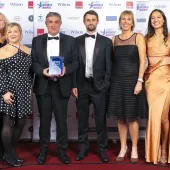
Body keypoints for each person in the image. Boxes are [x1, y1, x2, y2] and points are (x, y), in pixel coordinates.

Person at [31, 12, 78, 164]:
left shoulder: (70, 41)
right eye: (50, 22)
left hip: (62, 86)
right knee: (44, 122)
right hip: (43, 86)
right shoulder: (36, 40)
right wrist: (41, 71)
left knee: (61, 121)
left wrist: (66, 69)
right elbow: (33, 63)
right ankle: (43, 152)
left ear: (60, 23)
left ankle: (62, 151)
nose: (53, 24)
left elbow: (76, 63)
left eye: (56, 22)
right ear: (45, 23)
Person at [107, 10, 148, 163]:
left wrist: (139, 80)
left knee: (131, 117)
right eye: (123, 19)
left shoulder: (138, 37)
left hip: (133, 81)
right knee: (120, 117)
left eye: (128, 19)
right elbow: (111, 62)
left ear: (132, 22)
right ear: (120, 21)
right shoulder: (114, 39)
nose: (125, 21)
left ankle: (135, 148)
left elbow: (143, 61)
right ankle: (123, 147)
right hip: (117, 81)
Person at [72, 10, 112, 163]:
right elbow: (75, 66)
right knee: (82, 120)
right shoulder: (77, 41)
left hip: (99, 86)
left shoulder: (106, 42)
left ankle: (102, 150)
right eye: (88, 20)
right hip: (81, 86)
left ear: (97, 21)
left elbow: (109, 67)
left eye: (93, 20)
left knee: (100, 121)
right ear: (84, 22)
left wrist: (105, 85)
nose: (90, 22)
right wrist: (74, 85)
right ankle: (83, 149)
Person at [0, 22, 32, 167]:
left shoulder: (27, 49)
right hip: (8, 90)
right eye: (9, 32)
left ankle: (12, 151)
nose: (12, 34)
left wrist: (30, 87)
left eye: (15, 31)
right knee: (8, 123)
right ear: (6, 34)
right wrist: (4, 92)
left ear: (20, 33)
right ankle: (7, 154)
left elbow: (29, 72)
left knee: (21, 121)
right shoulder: (2, 50)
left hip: (24, 90)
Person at [145, 9, 170, 164]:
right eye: (153, 18)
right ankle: (154, 152)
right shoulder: (145, 38)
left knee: (164, 117)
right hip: (151, 81)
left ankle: (164, 149)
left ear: (164, 20)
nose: (155, 20)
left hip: (168, 79)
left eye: (158, 17)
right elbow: (140, 60)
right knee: (154, 117)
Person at [0, 12, 8, 161]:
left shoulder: (10, 38)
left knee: (5, 121)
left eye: (1, 18)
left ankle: (3, 151)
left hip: (8, 83)